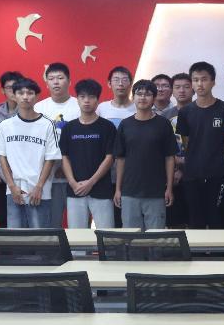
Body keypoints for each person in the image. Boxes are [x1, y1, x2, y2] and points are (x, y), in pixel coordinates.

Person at [0, 78, 60, 228]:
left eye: (30, 93)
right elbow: (2, 157)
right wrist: (11, 186)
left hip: (39, 192)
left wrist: (39, 186)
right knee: (15, 237)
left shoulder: (47, 125)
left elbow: (50, 159)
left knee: (39, 237)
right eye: (21, 93)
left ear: (37, 96)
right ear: (14, 96)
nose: (25, 96)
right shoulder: (5, 125)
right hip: (14, 191)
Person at [176, 62, 224, 229]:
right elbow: (184, 144)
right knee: (196, 219)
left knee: (217, 218)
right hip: (192, 174)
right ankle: (197, 247)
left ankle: (219, 248)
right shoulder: (185, 112)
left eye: (204, 79)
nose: (200, 84)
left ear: (213, 82)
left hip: (218, 172)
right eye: (195, 80)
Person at [114, 80, 178, 230]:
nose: (143, 97)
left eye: (148, 94)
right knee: (131, 236)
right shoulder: (125, 124)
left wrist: (169, 188)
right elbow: (120, 159)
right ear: (133, 97)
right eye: (139, 94)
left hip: (156, 191)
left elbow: (169, 158)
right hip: (129, 191)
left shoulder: (163, 124)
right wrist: (118, 189)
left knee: (155, 236)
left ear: (154, 98)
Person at [59, 79, 116, 229]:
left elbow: (110, 157)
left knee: (106, 235)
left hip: (101, 190)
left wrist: (91, 182)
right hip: (75, 190)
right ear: (77, 99)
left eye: (91, 97)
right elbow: (64, 157)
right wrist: (72, 183)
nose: (86, 101)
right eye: (82, 97)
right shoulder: (69, 128)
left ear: (97, 100)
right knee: (76, 238)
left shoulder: (107, 127)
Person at [34, 62, 80, 228]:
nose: (56, 82)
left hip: (77, 176)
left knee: (78, 226)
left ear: (69, 81)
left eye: (60, 78)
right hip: (48, 178)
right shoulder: (38, 108)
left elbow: (83, 142)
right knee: (51, 224)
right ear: (46, 83)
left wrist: (66, 167)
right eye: (51, 78)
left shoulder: (80, 105)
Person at [96, 66, 136, 228]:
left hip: (131, 172)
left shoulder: (138, 107)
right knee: (108, 219)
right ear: (109, 84)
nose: (120, 84)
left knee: (130, 219)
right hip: (105, 172)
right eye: (116, 80)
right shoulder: (101, 108)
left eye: (125, 80)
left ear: (131, 83)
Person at [0, 70, 24, 227]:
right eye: (9, 88)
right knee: (3, 219)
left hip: (23, 177)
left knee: (24, 220)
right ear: (2, 90)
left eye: (16, 87)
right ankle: (5, 246)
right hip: (2, 176)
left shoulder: (28, 113)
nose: (13, 91)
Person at [162, 72, 193, 228]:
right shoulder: (164, 116)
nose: (182, 91)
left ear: (193, 89)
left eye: (186, 87)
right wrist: (174, 168)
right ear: (172, 91)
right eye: (177, 87)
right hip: (170, 175)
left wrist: (184, 167)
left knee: (195, 219)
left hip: (195, 173)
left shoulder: (201, 112)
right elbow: (160, 146)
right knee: (173, 220)